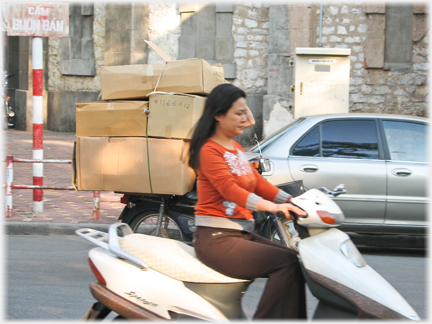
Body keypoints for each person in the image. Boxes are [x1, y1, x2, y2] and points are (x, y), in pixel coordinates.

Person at [188, 83, 307, 319]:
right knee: (284, 263)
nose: (246, 118)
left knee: (294, 259)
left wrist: (293, 201)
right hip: (216, 240)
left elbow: (258, 183)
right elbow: (229, 190)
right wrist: (273, 208)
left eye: (246, 112)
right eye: (239, 113)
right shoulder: (208, 151)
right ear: (219, 115)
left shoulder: (233, 148)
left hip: (238, 234)